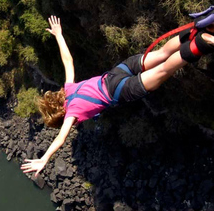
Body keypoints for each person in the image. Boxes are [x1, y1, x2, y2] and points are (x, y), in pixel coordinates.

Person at [21, 14, 214, 177]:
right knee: (162, 53)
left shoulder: (71, 114)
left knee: (164, 70)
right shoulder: (69, 88)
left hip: (120, 90)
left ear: (60, 116)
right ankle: (197, 32)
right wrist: (59, 35)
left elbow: (60, 139)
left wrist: (44, 158)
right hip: (116, 73)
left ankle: (203, 43)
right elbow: (68, 60)